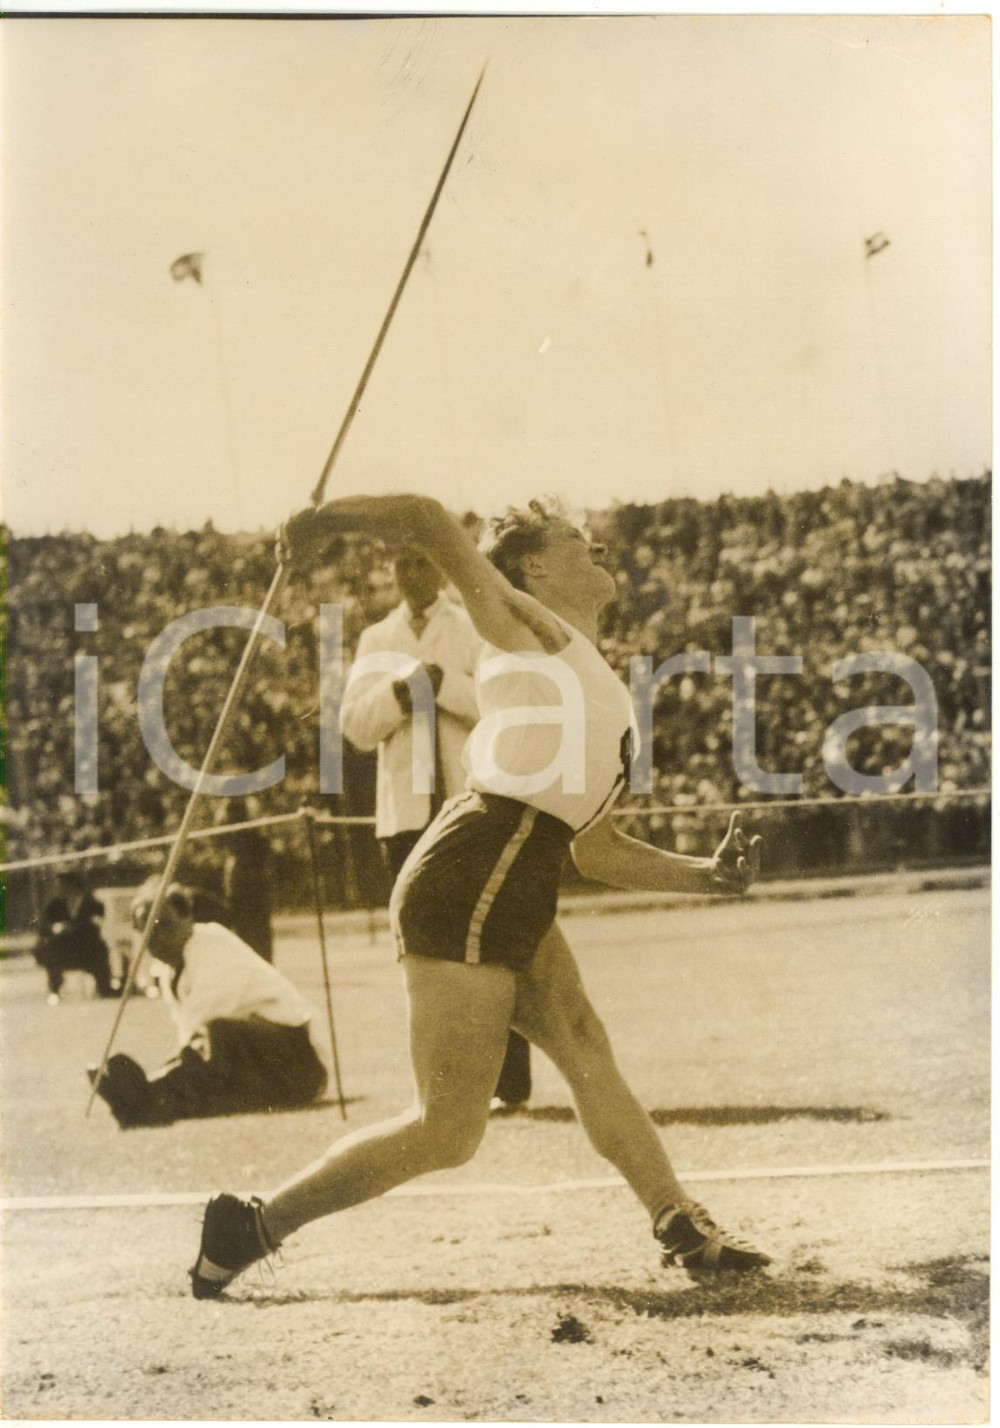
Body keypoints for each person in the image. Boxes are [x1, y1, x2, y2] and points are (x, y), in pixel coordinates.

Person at [189, 492, 766, 1300]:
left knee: (583, 1044)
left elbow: (593, 848)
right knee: (448, 1130)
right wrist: (325, 520)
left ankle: (681, 1223)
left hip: (511, 876)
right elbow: (426, 517)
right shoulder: (524, 625)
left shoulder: (589, 673)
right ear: (531, 567)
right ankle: (250, 1225)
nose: (596, 543)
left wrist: (706, 875)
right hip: (474, 871)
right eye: (575, 538)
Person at [340, 544, 532, 1110]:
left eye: (422, 561)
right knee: (424, 960)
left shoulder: (471, 628)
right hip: (403, 815)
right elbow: (355, 726)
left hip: (467, 804)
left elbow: (501, 703)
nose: (410, 572)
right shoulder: (376, 639)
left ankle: (510, 1082)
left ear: (441, 568)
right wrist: (401, 692)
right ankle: (445, 1091)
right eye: (401, 563)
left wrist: (441, 681)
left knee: (489, 947)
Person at [89, 882, 327, 1128]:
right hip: (254, 1064)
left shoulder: (213, 946)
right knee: (216, 1083)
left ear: (188, 917)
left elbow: (205, 1023)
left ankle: (147, 1094)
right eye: (147, 932)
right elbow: (192, 1042)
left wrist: (160, 1074)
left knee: (218, 1033)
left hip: (297, 1060)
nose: (156, 940)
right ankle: (145, 1103)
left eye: (165, 926)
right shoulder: (167, 972)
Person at [34, 870, 116, 1003]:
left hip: (86, 946)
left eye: (61, 885)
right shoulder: (55, 905)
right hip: (63, 948)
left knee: (101, 951)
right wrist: (56, 927)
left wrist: (74, 927)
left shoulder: (92, 903)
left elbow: (96, 924)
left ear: (71, 885)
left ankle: (105, 988)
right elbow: (44, 927)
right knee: (51, 951)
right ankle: (55, 990)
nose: (58, 889)